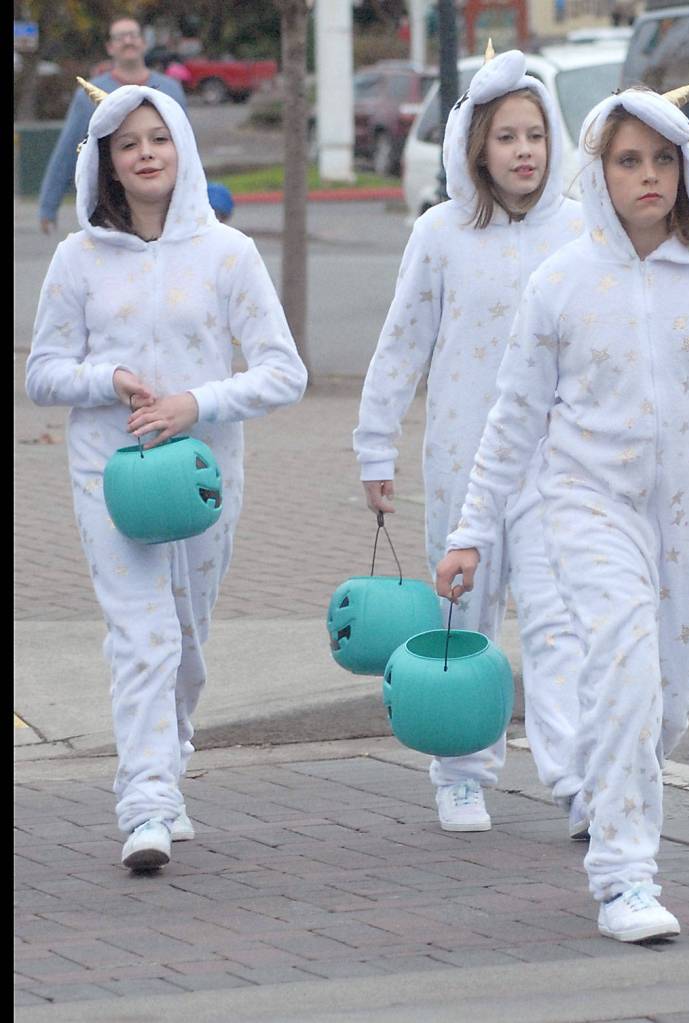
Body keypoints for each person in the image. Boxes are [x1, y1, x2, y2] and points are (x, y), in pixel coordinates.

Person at [436, 84, 689, 942]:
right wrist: (471, 530)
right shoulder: (561, 281)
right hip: (582, 506)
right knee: (624, 671)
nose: (648, 176)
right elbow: (511, 418)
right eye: (626, 160)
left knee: (671, 692)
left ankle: (617, 786)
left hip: (684, 522)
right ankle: (622, 877)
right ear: (597, 172)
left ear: (687, 166)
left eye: (662, 158)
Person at [26, 81, 307, 871]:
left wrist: (197, 403)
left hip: (203, 474)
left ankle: (168, 757)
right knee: (142, 635)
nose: (146, 153)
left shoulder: (229, 254)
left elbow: (285, 373)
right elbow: (43, 372)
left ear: (181, 146)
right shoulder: (77, 259)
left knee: (184, 639)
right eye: (128, 145)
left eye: (159, 137)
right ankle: (145, 802)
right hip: (107, 475)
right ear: (107, 165)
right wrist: (107, 379)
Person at [353, 49, 589, 836]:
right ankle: (460, 771)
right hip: (462, 460)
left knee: (559, 625)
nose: (524, 151)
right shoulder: (441, 233)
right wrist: (374, 447)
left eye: (535, 134)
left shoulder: (584, 230)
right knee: (466, 621)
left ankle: (575, 775)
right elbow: (400, 345)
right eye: (506, 137)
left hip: (558, 466)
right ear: (475, 149)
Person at [38, 16, 188, 235]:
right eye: (120, 37)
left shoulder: (171, 90)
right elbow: (66, 153)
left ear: (143, 43)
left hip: (167, 210)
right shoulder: (87, 96)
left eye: (133, 35)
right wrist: (48, 206)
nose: (128, 41)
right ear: (110, 47)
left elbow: (187, 149)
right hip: (109, 211)